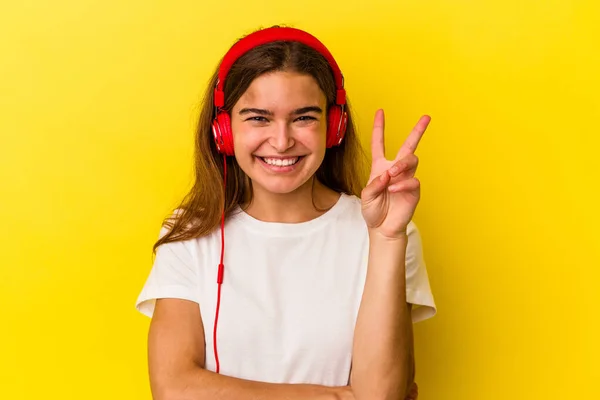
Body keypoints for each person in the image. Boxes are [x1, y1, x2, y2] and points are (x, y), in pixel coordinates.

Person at [135, 25, 436, 400]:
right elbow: (174, 389)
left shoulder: (388, 232)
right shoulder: (190, 233)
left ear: (334, 127)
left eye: (304, 117)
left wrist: (387, 237)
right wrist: (336, 396)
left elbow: (379, 396)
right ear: (222, 131)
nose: (281, 140)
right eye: (258, 117)